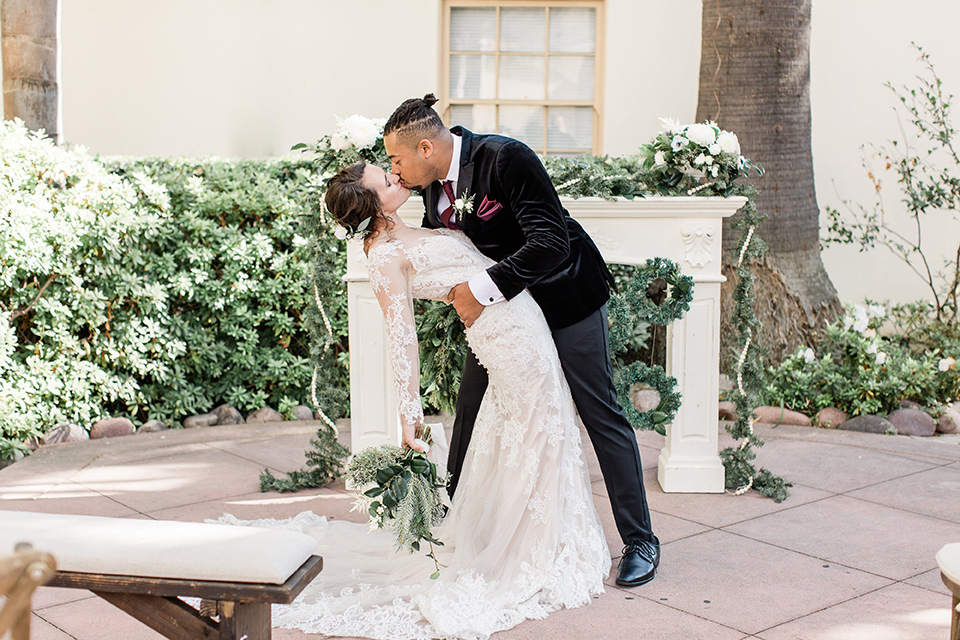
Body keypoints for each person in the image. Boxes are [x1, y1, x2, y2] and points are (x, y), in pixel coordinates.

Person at [225, 161, 610, 640]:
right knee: (540, 431)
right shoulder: (384, 256)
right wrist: (411, 417)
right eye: (384, 181)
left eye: (388, 169)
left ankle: (534, 540)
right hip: (506, 339)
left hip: (522, 324)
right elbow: (401, 337)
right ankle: (530, 552)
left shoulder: (420, 222)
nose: (395, 176)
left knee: (533, 433)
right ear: (370, 205)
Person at [382, 94, 660, 587]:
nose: (394, 170)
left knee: (600, 411)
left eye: (397, 159)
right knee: (469, 405)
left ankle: (641, 540)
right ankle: (452, 516)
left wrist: (477, 291)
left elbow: (551, 241)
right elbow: (447, 247)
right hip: (505, 320)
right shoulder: (429, 190)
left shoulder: (507, 158)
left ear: (426, 147)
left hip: (563, 297)